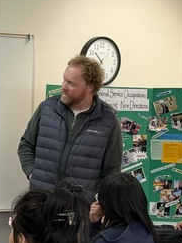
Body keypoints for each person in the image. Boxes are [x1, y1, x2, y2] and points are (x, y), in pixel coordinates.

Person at [17, 55, 122, 196]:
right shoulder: (46, 108)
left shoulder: (108, 120)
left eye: (71, 83)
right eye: (64, 79)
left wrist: (100, 202)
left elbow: (112, 172)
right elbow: (26, 145)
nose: (63, 87)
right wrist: (32, 174)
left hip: (81, 207)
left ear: (90, 87)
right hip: (42, 201)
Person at [82, 172, 163, 243]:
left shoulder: (106, 242)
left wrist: (89, 224)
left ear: (107, 203)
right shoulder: (149, 236)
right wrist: (95, 226)